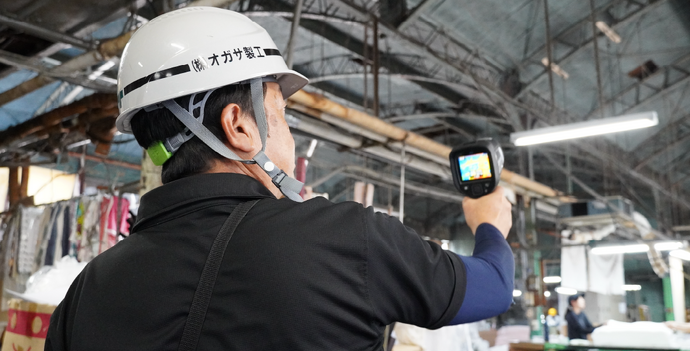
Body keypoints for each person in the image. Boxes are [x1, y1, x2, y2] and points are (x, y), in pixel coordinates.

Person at [46, 7, 515, 350]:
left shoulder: (86, 290)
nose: (288, 136)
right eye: (282, 114)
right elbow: (492, 286)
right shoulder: (346, 239)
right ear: (240, 126)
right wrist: (489, 222)